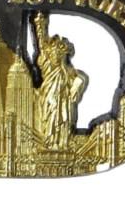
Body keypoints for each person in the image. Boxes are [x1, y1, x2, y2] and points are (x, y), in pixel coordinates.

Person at [33, 12, 88, 150]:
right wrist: (40, 25)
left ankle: (62, 143)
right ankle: (50, 142)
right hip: (50, 98)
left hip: (64, 101)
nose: (55, 56)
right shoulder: (48, 66)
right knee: (50, 118)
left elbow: (80, 78)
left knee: (64, 120)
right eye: (53, 53)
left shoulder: (67, 71)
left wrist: (78, 83)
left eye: (59, 53)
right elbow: (41, 42)